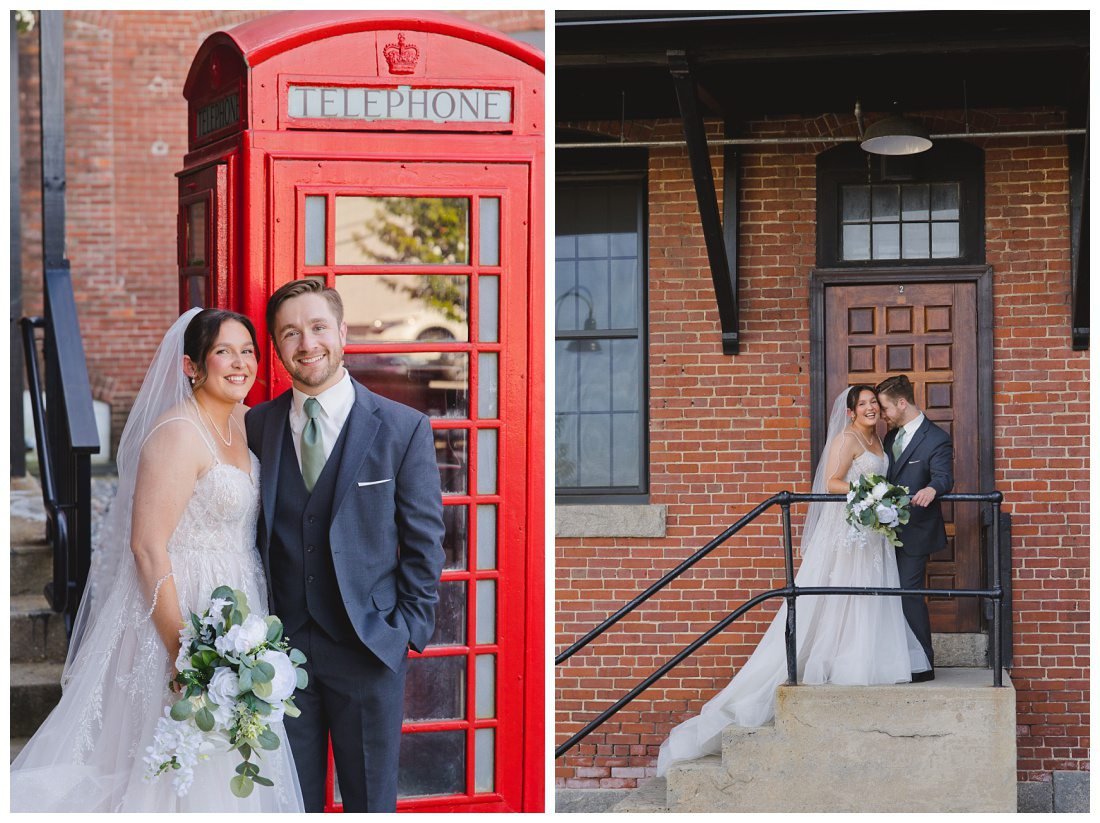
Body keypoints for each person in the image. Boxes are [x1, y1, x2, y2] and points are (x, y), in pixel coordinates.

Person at [10, 308, 304, 812]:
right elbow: (147, 547)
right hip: (183, 611)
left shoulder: (239, 419)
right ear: (191, 366)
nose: (240, 363)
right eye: (223, 352)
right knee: (176, 757)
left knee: (230, 753)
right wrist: (185, 652)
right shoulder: (177, 432)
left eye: (248, 350)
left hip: (239, 608)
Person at [245, 279, 445, 812]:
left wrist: (405, 632)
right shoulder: (255, 425)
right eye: (289, 333)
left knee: (369, 802)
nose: (306, 343)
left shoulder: (402, 428)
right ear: (276, 346)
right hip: (277, 655)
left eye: (316, 327)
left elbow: (425, 544)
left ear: (341, 333)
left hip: (368, 648)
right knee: (290, 803)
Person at [656, 385, 930, 775]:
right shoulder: (847, 438)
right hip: (849, 534)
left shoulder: (878, 438)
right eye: (863, 403)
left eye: (874, 403)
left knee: (869, 594)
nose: (870, 408)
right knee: (840, 594)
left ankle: (864, 657)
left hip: (872, 535)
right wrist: (870, 493)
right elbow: (833, 482)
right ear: (851, 411)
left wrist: (880, 500)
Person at [875, 374, 954, 682]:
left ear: (902, 403)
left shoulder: (936, 438)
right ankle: (890, 658)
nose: (883, 415)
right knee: (883, 595)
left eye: (885, 408)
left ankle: (923, 664)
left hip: (915, 531)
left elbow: (944, 475)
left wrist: (933, 489)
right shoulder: (890, 437)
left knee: (909, 594)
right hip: (883, 532)